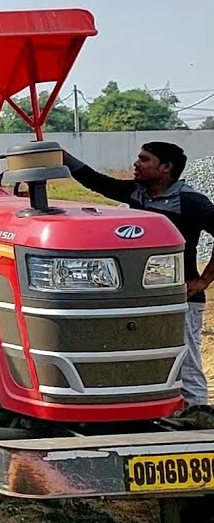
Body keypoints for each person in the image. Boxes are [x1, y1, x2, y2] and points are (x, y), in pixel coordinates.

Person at [64, 142, 214, 409]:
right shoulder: (136, 194)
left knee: (186, 355)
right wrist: (63, 157)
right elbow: (96, 182)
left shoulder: (191, 202)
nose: (136, 164)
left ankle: (198, 410)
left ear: (166, 168)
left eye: (145, 159)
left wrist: (203, 280)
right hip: (139, 299)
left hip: (181, 298)